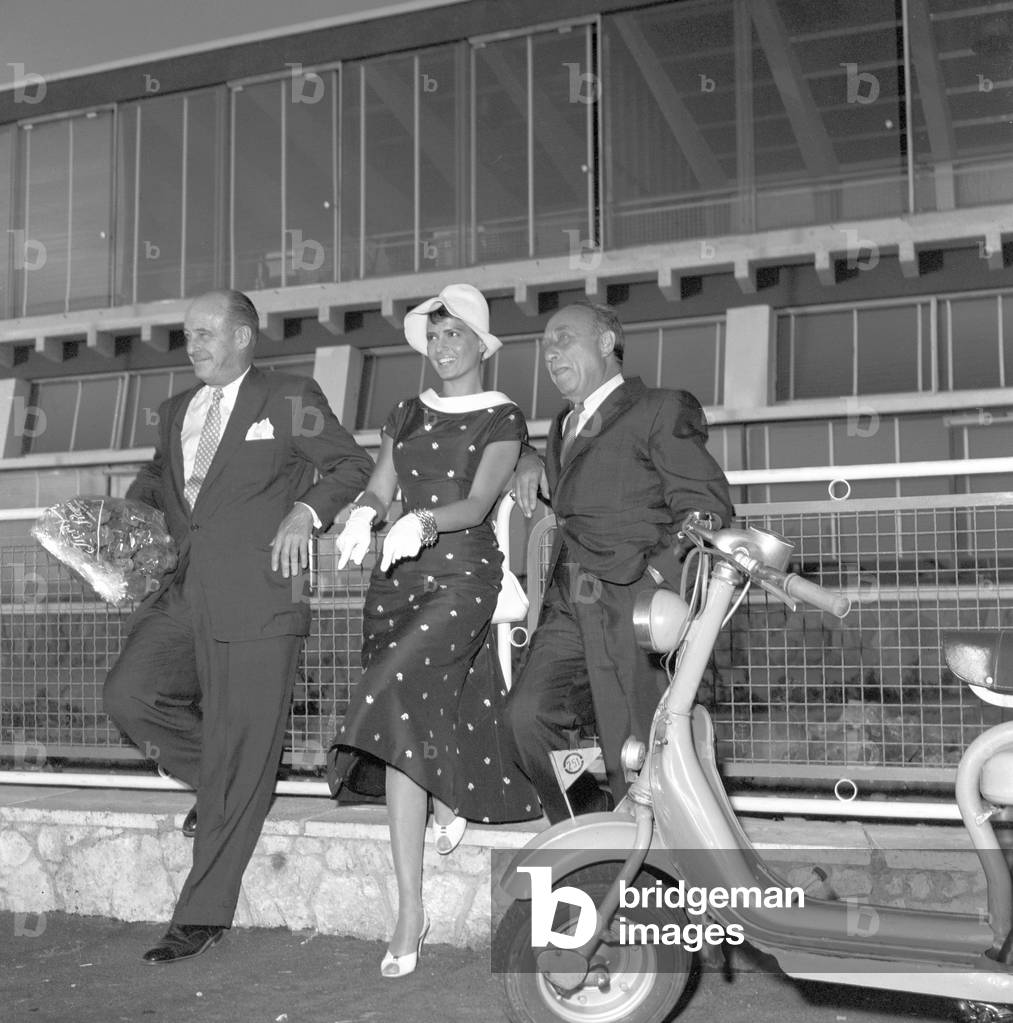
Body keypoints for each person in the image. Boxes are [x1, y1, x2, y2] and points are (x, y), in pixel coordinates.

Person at [103, 289, 373, 963]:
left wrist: (306, 512)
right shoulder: (176, 410)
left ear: (244, 336)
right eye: (187, 334)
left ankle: (200, 914)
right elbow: (157, 480)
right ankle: (223, 782)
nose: (191, 345)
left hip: (259, 598)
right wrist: (118, 526)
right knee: (130, 694)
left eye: (204, 333)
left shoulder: (288, 395)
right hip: (182, 593)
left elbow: (350, 464)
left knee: (242, 754)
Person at [327, 283, 538, 979]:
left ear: (482, 345)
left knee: (388, 693)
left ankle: (437, 830)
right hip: (396, 578)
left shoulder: (502, 416)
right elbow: (380, 486)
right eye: (435, 335)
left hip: (460, 578)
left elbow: (475, 504)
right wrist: (365, 512)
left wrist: (422, 520)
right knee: (404, 725)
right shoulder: (406, 411)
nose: (443, 346)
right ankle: (413, 899)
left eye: (456, 334)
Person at [506, 301, 735, 824]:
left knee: (640, 745)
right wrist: (528, 457)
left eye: (564, 338)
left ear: (607, 343)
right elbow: (578, 489)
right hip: (569, 601)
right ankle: (592, 830)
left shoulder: (661, 407)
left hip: (633, 603)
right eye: (545, 345)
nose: (550, 353)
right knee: (527, 717)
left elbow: (707, 509)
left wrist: (657, 583)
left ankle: (662, 864)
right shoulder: (562, 424)